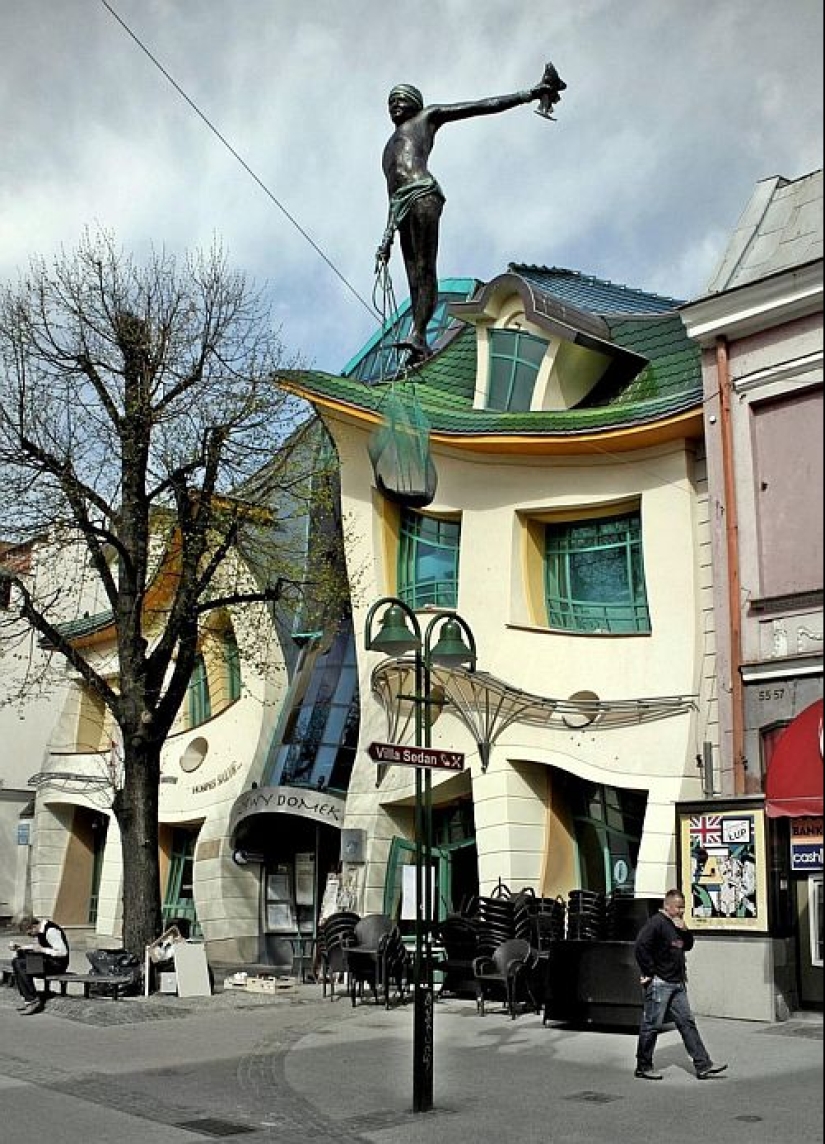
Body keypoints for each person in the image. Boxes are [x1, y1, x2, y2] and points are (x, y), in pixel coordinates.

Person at [376, 65, 565, 363]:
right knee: (413, 276)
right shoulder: (387, 150)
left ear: (415, 103)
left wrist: (528, 94)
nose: (394, 106)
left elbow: (480, 107)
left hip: (423, 193)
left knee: (425, 268)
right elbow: (391, 191)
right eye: (390, 102)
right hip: (401, 206)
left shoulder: (427, 118)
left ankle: (419, 334)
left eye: (400, 100)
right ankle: (419, 338)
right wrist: (386, 237)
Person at [634, 888, 728, 1080]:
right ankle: (643, 1066)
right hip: (661, 982)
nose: (681, 910)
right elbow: (641, 945)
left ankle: (703, 1065)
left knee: (687, 1023)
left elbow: (688, 945)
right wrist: (649, 972)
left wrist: (685, 930)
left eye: (683, 907)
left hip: (677, 983)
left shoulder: (676, 924)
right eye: (678, 907)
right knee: (652, 1024)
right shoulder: (656, 923)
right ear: (667, 906)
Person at [8, 914, 70, 1015]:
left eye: (29, 933)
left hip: (57, 965)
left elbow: (63, 952)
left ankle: (33, 1000)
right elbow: (36, 946)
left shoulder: (51, 931)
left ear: (33, 926)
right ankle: (28, 1000)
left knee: (21, 964)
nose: (30, 935)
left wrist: (42, 950)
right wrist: (21, 947)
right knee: (16, 961)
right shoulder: (40, 931)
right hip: (47, 962)